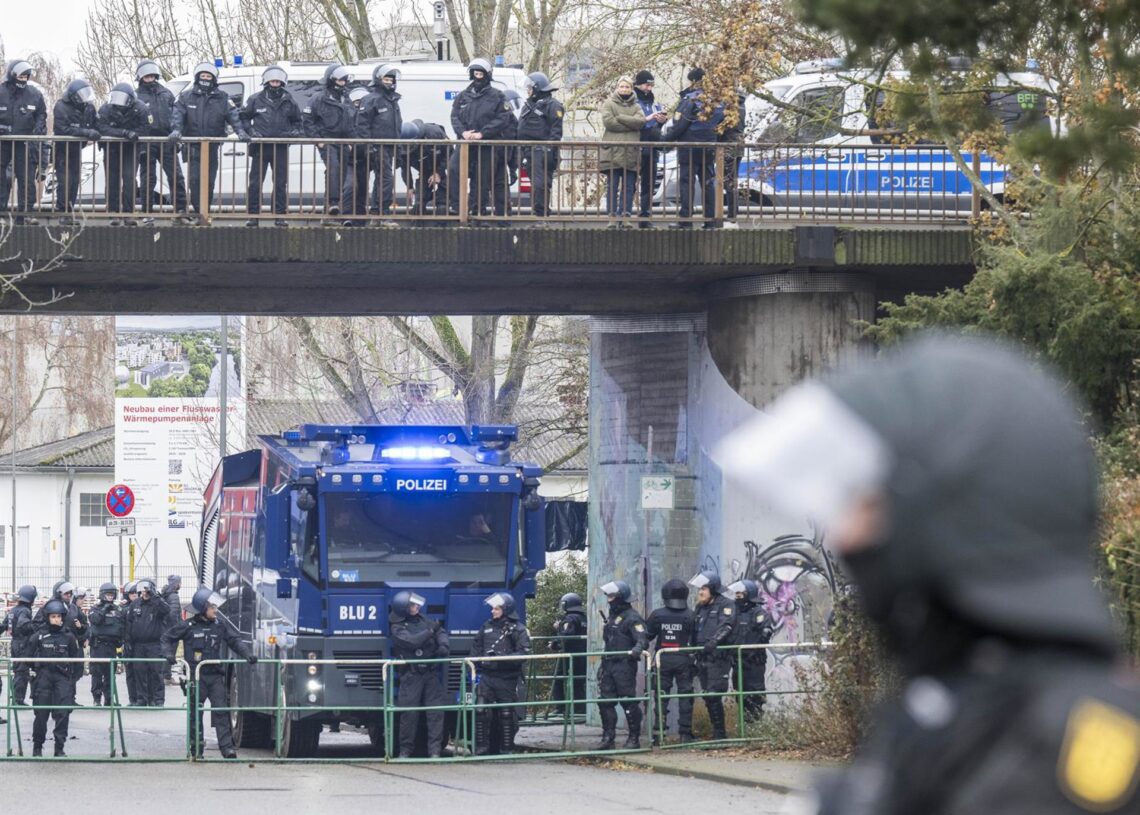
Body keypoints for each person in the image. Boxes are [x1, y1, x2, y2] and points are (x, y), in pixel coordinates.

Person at [718, 333, 1140, 815]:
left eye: (868, 504)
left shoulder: (1072, 752)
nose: (843, 539)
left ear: (961, 515)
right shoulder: (959, 712)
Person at [162, 587, 255, 759]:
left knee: (221, 711)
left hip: (214, 676)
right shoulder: (188, 626)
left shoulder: (219, 626)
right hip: (196, 677)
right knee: (195, 713)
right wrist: (169, 655)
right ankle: (196, 748)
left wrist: (247, 654)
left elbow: (234, 640)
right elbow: (167, 638)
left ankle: (227, 749)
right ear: (203, 608)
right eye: (212, 607)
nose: (216, 610)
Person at [170, 62, 248, 221]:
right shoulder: (186, 96)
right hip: (193, 147)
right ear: (198, 77)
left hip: (212, 147)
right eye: (203, 75)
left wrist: (240, 131)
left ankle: (205, 211)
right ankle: (200, 212)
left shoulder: (222, 97)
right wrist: (176, 130)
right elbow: (177, 114)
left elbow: (233, 115)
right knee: (195, 181)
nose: (205, 78)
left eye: (208, 76)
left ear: (213, 78)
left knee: (209, 181)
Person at [448, 58, 512, 218]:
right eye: (475, 73)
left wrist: (482, 133)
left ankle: (478, 212)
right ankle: (457, 207)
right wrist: (463, 133)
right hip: (465, 143)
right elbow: (454, 117)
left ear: (487, 75)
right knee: (454, 170)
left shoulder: (498, 96)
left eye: (481, 73)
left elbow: (503, 118)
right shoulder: (463, 96)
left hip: (486, 145)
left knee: (481, 179)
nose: (478, 77)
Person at [389, 590, 449, 757]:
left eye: (416, 605)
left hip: (430, 673)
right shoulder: (397, 627)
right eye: (413, 605)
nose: (416, 607)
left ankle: (435, 751)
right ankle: (405, 751)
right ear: (404, 608)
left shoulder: (424, 620)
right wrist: (430, 632)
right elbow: (412, 642)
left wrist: (443, 645)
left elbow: (441, 632)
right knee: (409, 714)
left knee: (435, 713)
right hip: (411, 675)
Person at [240, 65, 302, 228]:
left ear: (282, 83)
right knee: (255, 182)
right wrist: (251, 132)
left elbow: (298, 121)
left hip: (280, 146)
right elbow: (244, 118)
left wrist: (294, 132)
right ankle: (253, 215)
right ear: (267, 82)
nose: (275, 83)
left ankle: (279, 214)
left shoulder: (289, 101)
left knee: (281, 182)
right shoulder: (255, 99)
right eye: (272, 81)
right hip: (260, 147)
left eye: (278, 81)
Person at [472, 592, 531, 755]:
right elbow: (476, 648)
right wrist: (476, 663)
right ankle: (481, 748)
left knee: (506, 714)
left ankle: (507, 748)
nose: (493, 611)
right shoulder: (486, 627)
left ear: (505, 609)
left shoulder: (518, 629)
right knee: (480, 710)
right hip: (487, 676)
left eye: (496, 609)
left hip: (507, 677)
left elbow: (523, 654)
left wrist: (501, 658)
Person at [665, 68, 725, 229]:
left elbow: (679, 125)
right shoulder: (718, 101)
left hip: (689, 147)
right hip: (709, 147)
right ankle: (710, 221)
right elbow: (723, 125)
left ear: (693, 81)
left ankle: (686, 220)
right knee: (708, 182)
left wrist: (664, 141)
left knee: (687, 183)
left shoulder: (689, 100)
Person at [135, 60, 188, 224]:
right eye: (146, 75)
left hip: (167, 140)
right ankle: (147, 212)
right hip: (147, 142)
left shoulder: (166, 93)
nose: (149, 78)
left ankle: (180, 211)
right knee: (148, 179)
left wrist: (177, 132)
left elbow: (176, 115)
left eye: (151, 75)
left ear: (156, 75)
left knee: (176, 177)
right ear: (140, 77)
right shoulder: (136, 96)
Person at [597, 579, 648, 749]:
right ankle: (608, 738)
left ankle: (634, 738)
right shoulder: (612, 616)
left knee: (627, 701)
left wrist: (637, 649)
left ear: (620, 597)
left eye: (612, 595)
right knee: (605, 701)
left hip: (624, 665)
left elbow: (642, 639)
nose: (609, 598)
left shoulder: (632, 617)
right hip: (609, 664)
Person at [646, 578, 696, 744]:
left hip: (663, 660)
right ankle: (685, 734)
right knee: (685, 697)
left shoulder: (657, 615)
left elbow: (647, 636)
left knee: (661, 697)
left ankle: (659, 734)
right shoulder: (690, 615)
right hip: (684, 659)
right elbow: (696, 639)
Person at [28, 598, 80, 757]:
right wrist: (34, 677)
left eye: (59, 616)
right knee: (41, 714)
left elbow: (76, 660)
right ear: (47, 617)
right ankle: (37, 747)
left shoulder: (69, 637)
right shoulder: (38, 636)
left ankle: (59, 747)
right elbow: (28, 659)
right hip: (43, 678)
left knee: (63, 713)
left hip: (62, 678)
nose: (57, 620)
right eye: (53, 617)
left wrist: (71, 681)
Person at [302, 64, 355, 219]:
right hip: (327, 140)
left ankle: (330, 210)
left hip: (343, 142)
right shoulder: (318, 98)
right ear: (331, 80)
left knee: (341, 173)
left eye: (344, 80)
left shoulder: (346, 98)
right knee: (334, 167)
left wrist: (351, 141)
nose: (343, 83)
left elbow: (353, 120)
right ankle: (333, 202)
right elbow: (307, 120)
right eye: (339, 80)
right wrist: (318, 140)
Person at [0, 59, 47, 224]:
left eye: (26, 76)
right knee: (3, 178)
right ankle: (1, 213)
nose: (24, 78)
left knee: (26, 178)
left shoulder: (34, 94)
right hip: (3, 143)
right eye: (20, 75)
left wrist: (38, 128)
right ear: (12, 74)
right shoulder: (1, 92)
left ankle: (25, 213)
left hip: (25, 143)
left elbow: (41, 114)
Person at [97, 83, 151, 226]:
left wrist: (135, 134)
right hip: (111, 148)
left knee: (129, 179)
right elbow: (102, 128)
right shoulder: (106, 109)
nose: (119, 103)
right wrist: (124, 133)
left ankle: (129, 213)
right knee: (112, 180)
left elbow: (146, 127)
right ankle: (113, 212)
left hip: (131, 149)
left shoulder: (141, 108)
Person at [690, 570, 735, 740]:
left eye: (704, 589)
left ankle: (720, 735)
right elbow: (693, 630)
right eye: (699, 589)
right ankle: (717, 732)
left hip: (719, 657)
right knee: (707, 695)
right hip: (702, 657)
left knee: (713, 694)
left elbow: (727, 626)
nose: (700, 592)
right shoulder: (700, 607)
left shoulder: (726, 605)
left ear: (713, 589)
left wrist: (713, 642)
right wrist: (692, 650)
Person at [357, 64, 403, 224]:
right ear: (378, 79)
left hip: (390, 146)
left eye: (391, 79)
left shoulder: (393, 100)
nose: (389, 82)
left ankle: (376, 211)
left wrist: (399, 148)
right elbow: (362, 124)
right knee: (386, 179)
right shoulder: (371, 99)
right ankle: (383, 213)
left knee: (381, 178)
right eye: (386, 79)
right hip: (377, 146)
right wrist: (369, 146)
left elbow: (397, 125)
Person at [600, 78, 648, 227]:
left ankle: (626, 215)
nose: (624, 89)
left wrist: (620, 118)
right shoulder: (609, 104)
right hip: (613, 153)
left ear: (631, 88)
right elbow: (608, 122)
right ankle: (612, 217)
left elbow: (641, 122)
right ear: (617, 87)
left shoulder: (636, 105)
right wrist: (630, 124)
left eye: (627, 86)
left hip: (630, 153)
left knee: (629, 187)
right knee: (612, 186)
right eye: (621, 86)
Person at [51, 78, 100, 224]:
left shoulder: (89, 107)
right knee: (65, 181)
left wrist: (96, 131)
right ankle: (62, 212)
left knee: (74, 182)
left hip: (78, 149)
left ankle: (70, 211)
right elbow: (62, 129)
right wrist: (86, 132)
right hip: (63, 149)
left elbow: (96, 124)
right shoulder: (61, 105)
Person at [516, 72, 564, 219]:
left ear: (537, 88)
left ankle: (541, 215)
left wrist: (548, 149)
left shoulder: (553, 105)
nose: (528, 91)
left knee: (541, 184)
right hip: (528, 151)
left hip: (542, 151)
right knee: (535, 184)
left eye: (530, 88)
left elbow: (556, 131)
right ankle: (538, 212)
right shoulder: (529, 105)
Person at [726, 579, 773, 723]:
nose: (737, 596)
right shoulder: (734, 612)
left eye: (741, 593)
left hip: (754, 662)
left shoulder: (758, 613)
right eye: (737, 593)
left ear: (749, 594)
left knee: (755, 694)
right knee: (741, 694)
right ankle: (745, 726)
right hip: (737, 661)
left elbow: (766, 631)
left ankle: (756, 726)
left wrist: (754, 649)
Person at [125, 578, 171, 706]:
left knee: (156, 672)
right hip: (138, 645)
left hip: (154, 644)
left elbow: (166, 611)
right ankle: (142, 698)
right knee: (139, 672)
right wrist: (128, 641)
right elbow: (129, 623)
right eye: (142, 591)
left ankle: (157, 699)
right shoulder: (135, 604)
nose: (144, 593)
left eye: (146, 590)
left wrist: (155, 597)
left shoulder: (157, 603)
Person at [633, 70, 667, 226]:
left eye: (651, 85)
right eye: (647, 85)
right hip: (634, 147)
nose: (649, 88)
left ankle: (645, 217)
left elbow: (657, 131)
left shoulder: (654, 104)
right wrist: (648, 121)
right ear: (638, 85)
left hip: (651, 149)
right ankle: (623, 217)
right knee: (629, 184)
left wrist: (661, 121)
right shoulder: (631, 102)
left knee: (648, 185)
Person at [397, 119, 450, 217]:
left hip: (442, 169)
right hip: (424, 171)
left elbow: (449, 153)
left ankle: (442, 226)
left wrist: (438, 172)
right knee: (418, 206)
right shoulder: (401, 146)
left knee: (443, 206)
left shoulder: (434, 133)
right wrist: (409, 187)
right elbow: (405, 168)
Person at [87, 582, 126, 707]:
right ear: (102, 595)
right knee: (97, 674)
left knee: (110, 674)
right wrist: (104, 610)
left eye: (112, 594)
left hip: (111, 646)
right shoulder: (95, 608)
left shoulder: (117, 610)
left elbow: (121, 626)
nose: (110, 597)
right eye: (108, 594)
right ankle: (97, 699)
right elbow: (95, 620)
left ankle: (109, 699)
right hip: (98, 646)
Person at [550, 591, 587, 716]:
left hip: (568, 654)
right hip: (582, 655)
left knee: (558, 680)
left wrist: (554, 643)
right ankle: (580, 709)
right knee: (578, 682)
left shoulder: (569, 618)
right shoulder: (584, 617)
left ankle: (560, 708)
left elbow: (566, 635)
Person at [718, 89, 746, 228]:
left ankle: (731, 214)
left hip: (729, 145)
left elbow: (723, 127)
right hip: (738, 145)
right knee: (732, 179)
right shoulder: (741, 105)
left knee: (728, 180)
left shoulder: (729, 107)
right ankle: (733, 211)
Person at [6, 584, 38, 706]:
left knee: (18, 670)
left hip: (15, 643)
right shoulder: (25, 610)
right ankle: (18, 700)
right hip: (23, 644)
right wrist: (36, 627)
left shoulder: (13, 610)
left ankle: (15, 697)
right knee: (22, 672)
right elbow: (23, 625)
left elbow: (4, 625)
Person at [491, 88, 520, 219]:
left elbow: (514, 147)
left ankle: (504, 218)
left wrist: (513, 168)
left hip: (501, 161)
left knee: (501, 191)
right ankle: (477, 218)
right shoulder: (493, 120)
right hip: (488, 159)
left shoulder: (513, 121)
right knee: (482, 190)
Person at [160, 575, 183, 681]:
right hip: (172, 629)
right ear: (176, 584)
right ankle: (167, 676)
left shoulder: (165, 593)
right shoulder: (174, 596)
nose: (180, 584)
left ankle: (165, 675)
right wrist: (177, 628)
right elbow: (173, 613)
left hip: (165, 628)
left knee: (166, 651)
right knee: (171, 652)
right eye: (179, 582)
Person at [120, 581, 140, 705]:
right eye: (132, 593)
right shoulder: (123, 609)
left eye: (136, 593)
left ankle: (143, 698)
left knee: (142, 672)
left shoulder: (144, 606)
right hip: (128, 643)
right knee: (130, 673)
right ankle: (132, 699)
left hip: (140, 643)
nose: (134, 595)